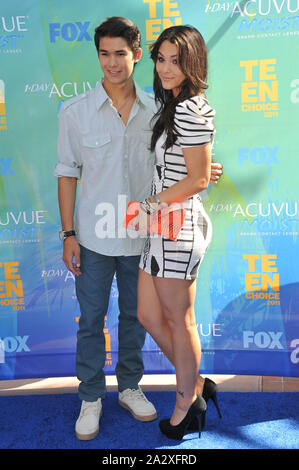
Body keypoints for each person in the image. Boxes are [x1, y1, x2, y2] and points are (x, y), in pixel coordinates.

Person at [54, 17, 222, 441]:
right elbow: (66, 171)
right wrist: (67, 233)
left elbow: (186, 166)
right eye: (104, 54)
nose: (112, 63)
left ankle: (134, 387)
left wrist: (202, 172)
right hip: (95, 234)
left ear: (133, 54)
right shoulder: (74, 112)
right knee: (96, 319)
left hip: (150, 231)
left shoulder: (160, 108)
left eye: (120, 53)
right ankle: (92, 396)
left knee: (139, 317)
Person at [136, 25, 221, 440]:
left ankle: (186, 403)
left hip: (176, 226)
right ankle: (199, 384)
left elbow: (199, 179)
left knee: (180, 320)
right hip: (158, 225)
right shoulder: (171, 104)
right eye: (161, 59)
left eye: (177, 60)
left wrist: (152, 204)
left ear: (193, 63)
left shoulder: (191, 107)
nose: (167, 68)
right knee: (148, 315)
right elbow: (193, 169)